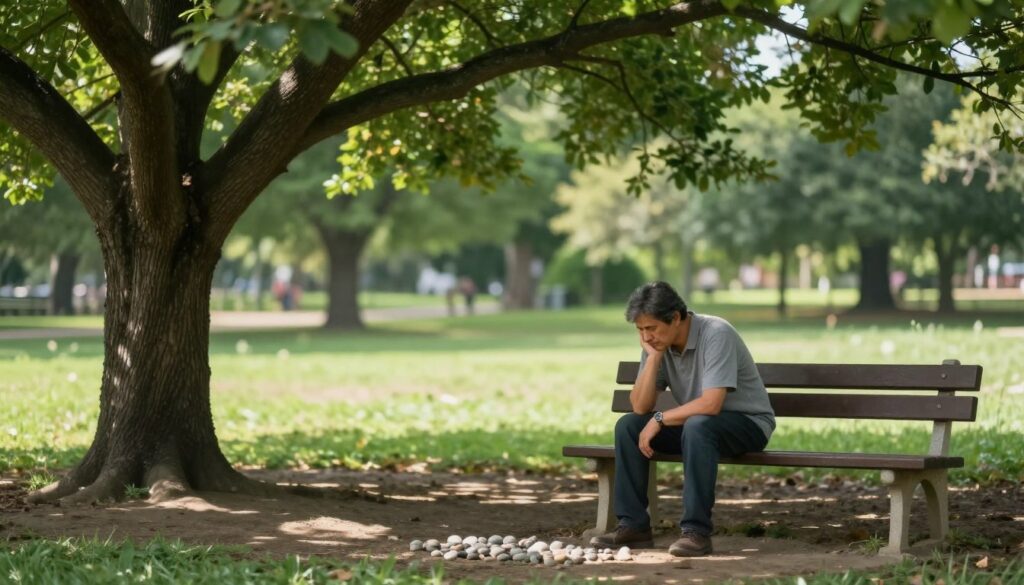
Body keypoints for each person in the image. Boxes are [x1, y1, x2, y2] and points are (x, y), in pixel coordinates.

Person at [590, 281, 775, 557]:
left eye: (651, 328)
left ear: (676, 317)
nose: (647, 336)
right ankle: (634, 526)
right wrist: (653, 359)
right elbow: (640, 407)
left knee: (698, 425)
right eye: (640, 330)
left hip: (747, 423)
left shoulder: (716, 333)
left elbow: (711, 404)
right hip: (699, 427)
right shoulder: (657, 344)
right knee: (629, 426)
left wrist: (661, 418)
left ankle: (696, 532)